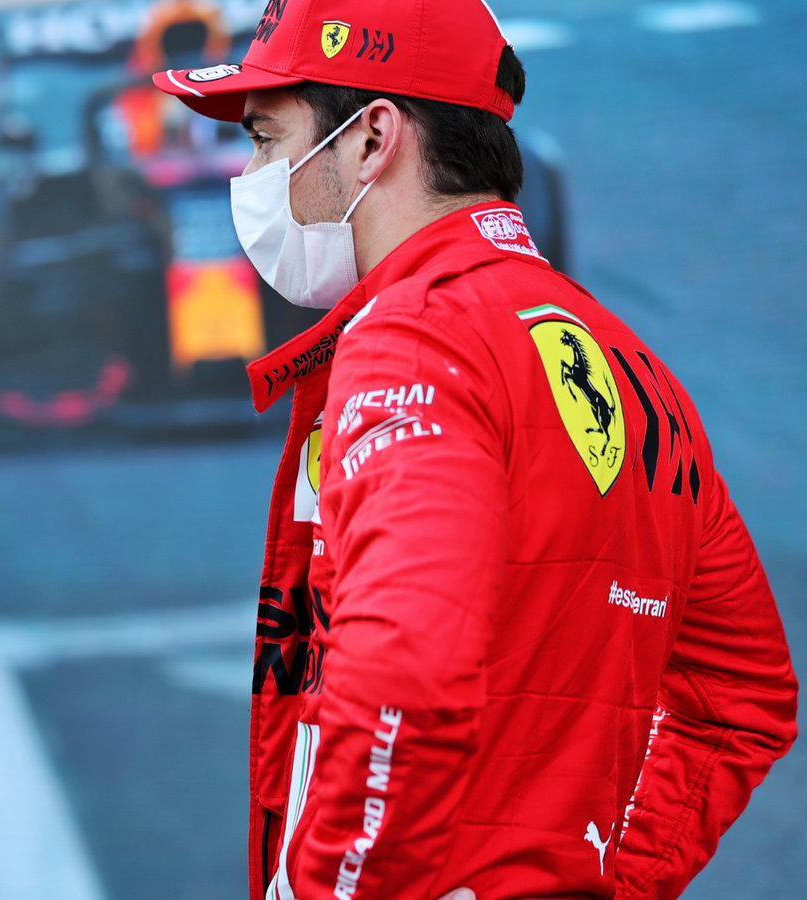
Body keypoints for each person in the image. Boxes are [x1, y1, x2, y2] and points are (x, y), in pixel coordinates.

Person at [152, 1, 798, 898]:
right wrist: (613, 882)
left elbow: (402, 671)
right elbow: (742, 698)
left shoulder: (412, 336)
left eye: (265, 139)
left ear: (372, 138)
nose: (252, 175)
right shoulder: (637, 368)